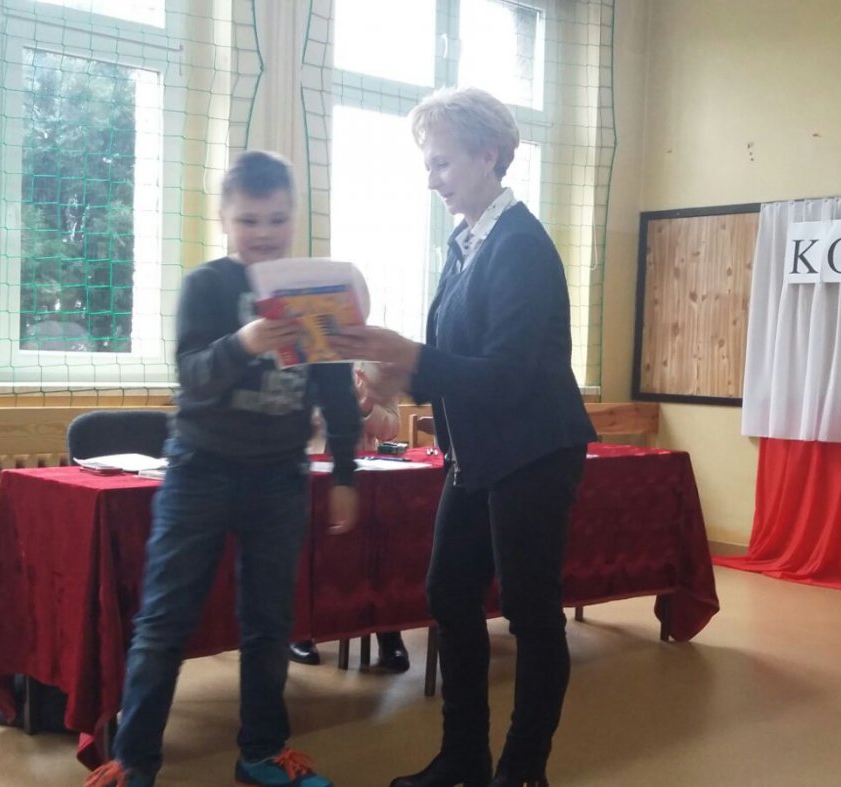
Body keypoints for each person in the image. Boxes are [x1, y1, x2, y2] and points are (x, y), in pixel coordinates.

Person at [329, 87, 597, 787]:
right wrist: (391, 380)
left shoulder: (521, 246)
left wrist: (409, 356)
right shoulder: (468, 242)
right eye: (428, 164)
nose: (432, 179)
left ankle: (522, 770)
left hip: (534, 451)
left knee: (531, 612)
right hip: (478, 455)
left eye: (442, 163)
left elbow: (507, 374)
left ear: (489, 155)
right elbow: (459, 358)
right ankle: (464, 758)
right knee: (449, 594)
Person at [86, 151, 359, 787]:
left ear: (294, 217)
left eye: (277, 219)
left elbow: (336, 390)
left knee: (269, 624)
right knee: (165, 618)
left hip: (280, 478)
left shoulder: (312, 291)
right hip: (200, 471)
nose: (263, 232)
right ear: (224, 219)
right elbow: (192, 377)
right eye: (248, 220)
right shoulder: (206, 286)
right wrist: (244, 342)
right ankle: (134, 760)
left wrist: (345, 473)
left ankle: (261, 753)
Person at [291, 363, 412, 672]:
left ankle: (388, 634)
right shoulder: (307, 350)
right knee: (308, 548)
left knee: (376, 548)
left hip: (364, 470)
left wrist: (367, 407)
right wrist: (335, 408)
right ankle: (300, 631)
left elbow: (391, 428)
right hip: (310, 465)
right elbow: (290, 414)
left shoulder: (377, 361)